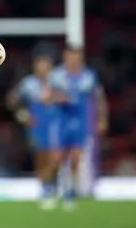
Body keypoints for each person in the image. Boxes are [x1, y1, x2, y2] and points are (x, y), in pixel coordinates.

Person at [45, 45, 108, 210]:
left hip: (81, 123)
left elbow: (99, 97)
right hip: (61, 122)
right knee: (58, 157)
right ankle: (50, 189)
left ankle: (69, 193)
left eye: (76, 56)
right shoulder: (57, 76)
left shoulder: (88, 76)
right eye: (70, 56)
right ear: (65, 57)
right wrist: (59, 98)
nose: (73, 59)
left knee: (75, 159)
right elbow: (47, 97)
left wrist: (101, 118)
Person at [6, 54, 66, 210]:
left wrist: (55, 98)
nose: (42, 70)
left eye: (45, 66)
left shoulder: (58, 81)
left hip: (56, 122)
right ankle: (46, 188)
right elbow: (12, 99)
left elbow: (69, 97)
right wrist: (23, 115)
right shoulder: (29, 84)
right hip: (38, 124)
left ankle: (52, 183)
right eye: (40, 66)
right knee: (41, 156)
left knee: (57, 154)